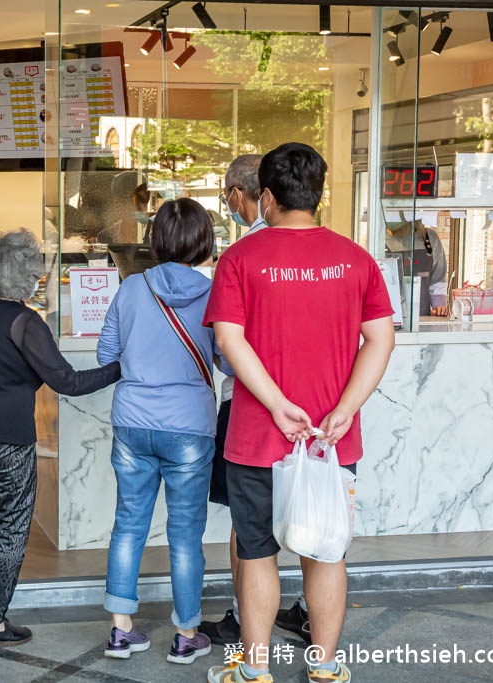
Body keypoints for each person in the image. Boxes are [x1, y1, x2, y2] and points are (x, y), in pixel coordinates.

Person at [204, 143, 395, 683]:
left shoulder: (240, 259)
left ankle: (255, 670)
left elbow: (229, 338)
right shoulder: (355, 258)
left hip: (257, 437)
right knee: (326, 551)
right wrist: (346, 408)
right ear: (318, 194)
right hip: (332, 440)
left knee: (259, 554)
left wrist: (277, 405)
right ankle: (327, 666)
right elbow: (380, 340)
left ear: (265, 197)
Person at [0, 228, 119, 651]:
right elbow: (68, 381)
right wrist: (120, 367)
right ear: (25, 276)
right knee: (12, 525)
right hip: (8, 433)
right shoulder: (25, 321)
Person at [96, 198, 221, 665]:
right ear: (205, 243)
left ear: (155, 241)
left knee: (128, 523)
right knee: (185, 534)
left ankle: (120, 631)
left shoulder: (131, 289)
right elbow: (228, 359)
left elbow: (107, 352)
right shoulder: (214, 295)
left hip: (132, 423)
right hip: (190, 426)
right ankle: (186, 634)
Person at [201, 153, 267, 647]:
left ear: (241, 194)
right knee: (308, 525)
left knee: (247, 526)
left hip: (246, 407)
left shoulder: (243, 255)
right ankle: (306, 616)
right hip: (316, 412)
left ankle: (247, 625)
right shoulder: (333, 253)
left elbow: (227, 348)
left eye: (228, 195)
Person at [384, 214, 448, 316]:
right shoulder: (377, 241)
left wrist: (439, 306)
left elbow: (438, 280)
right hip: (386, 318)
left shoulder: (430, 239)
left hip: (421, 319)